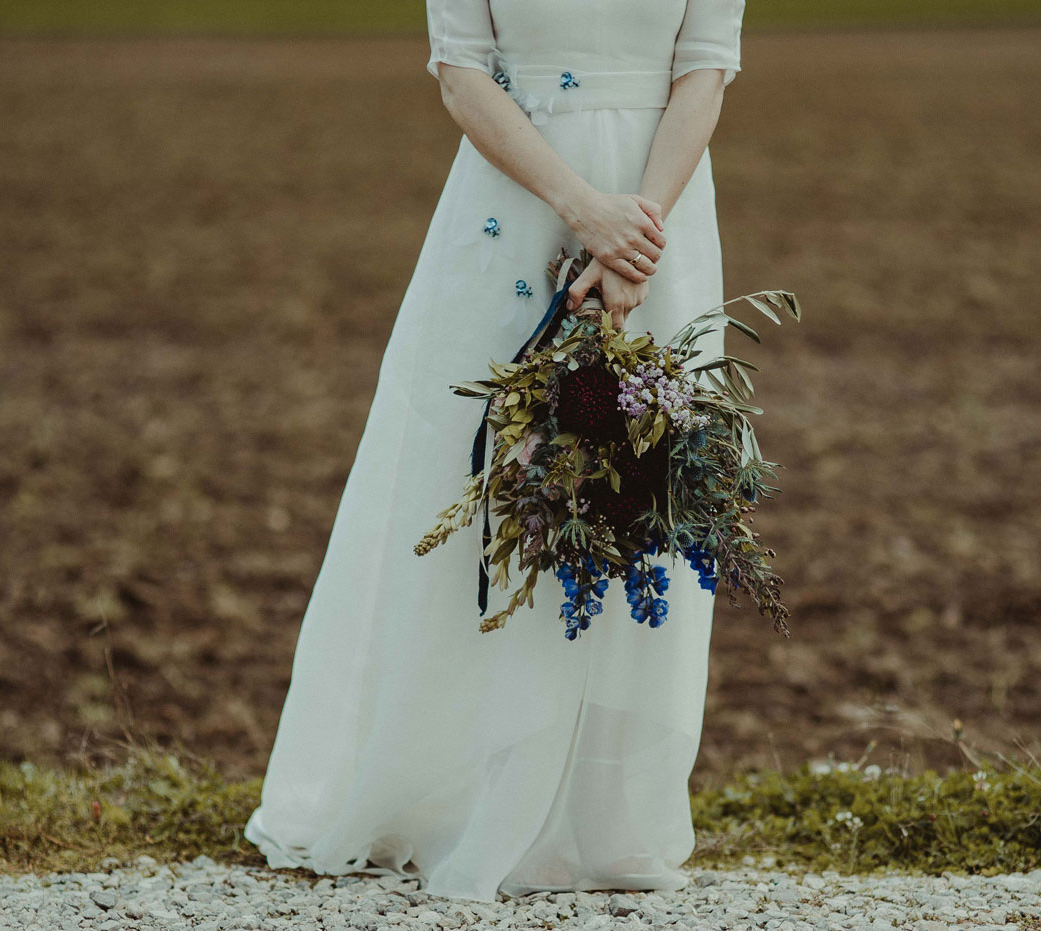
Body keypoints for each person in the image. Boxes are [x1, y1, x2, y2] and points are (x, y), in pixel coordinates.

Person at [242, 0, 744, 904]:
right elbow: (461, 70)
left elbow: (703, 70)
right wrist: (582, 209)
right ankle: (470, 802)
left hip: (658, 224)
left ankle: (606, 817)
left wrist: (635, 240)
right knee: (481, 491)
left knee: (635, 497)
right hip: (512, 214)